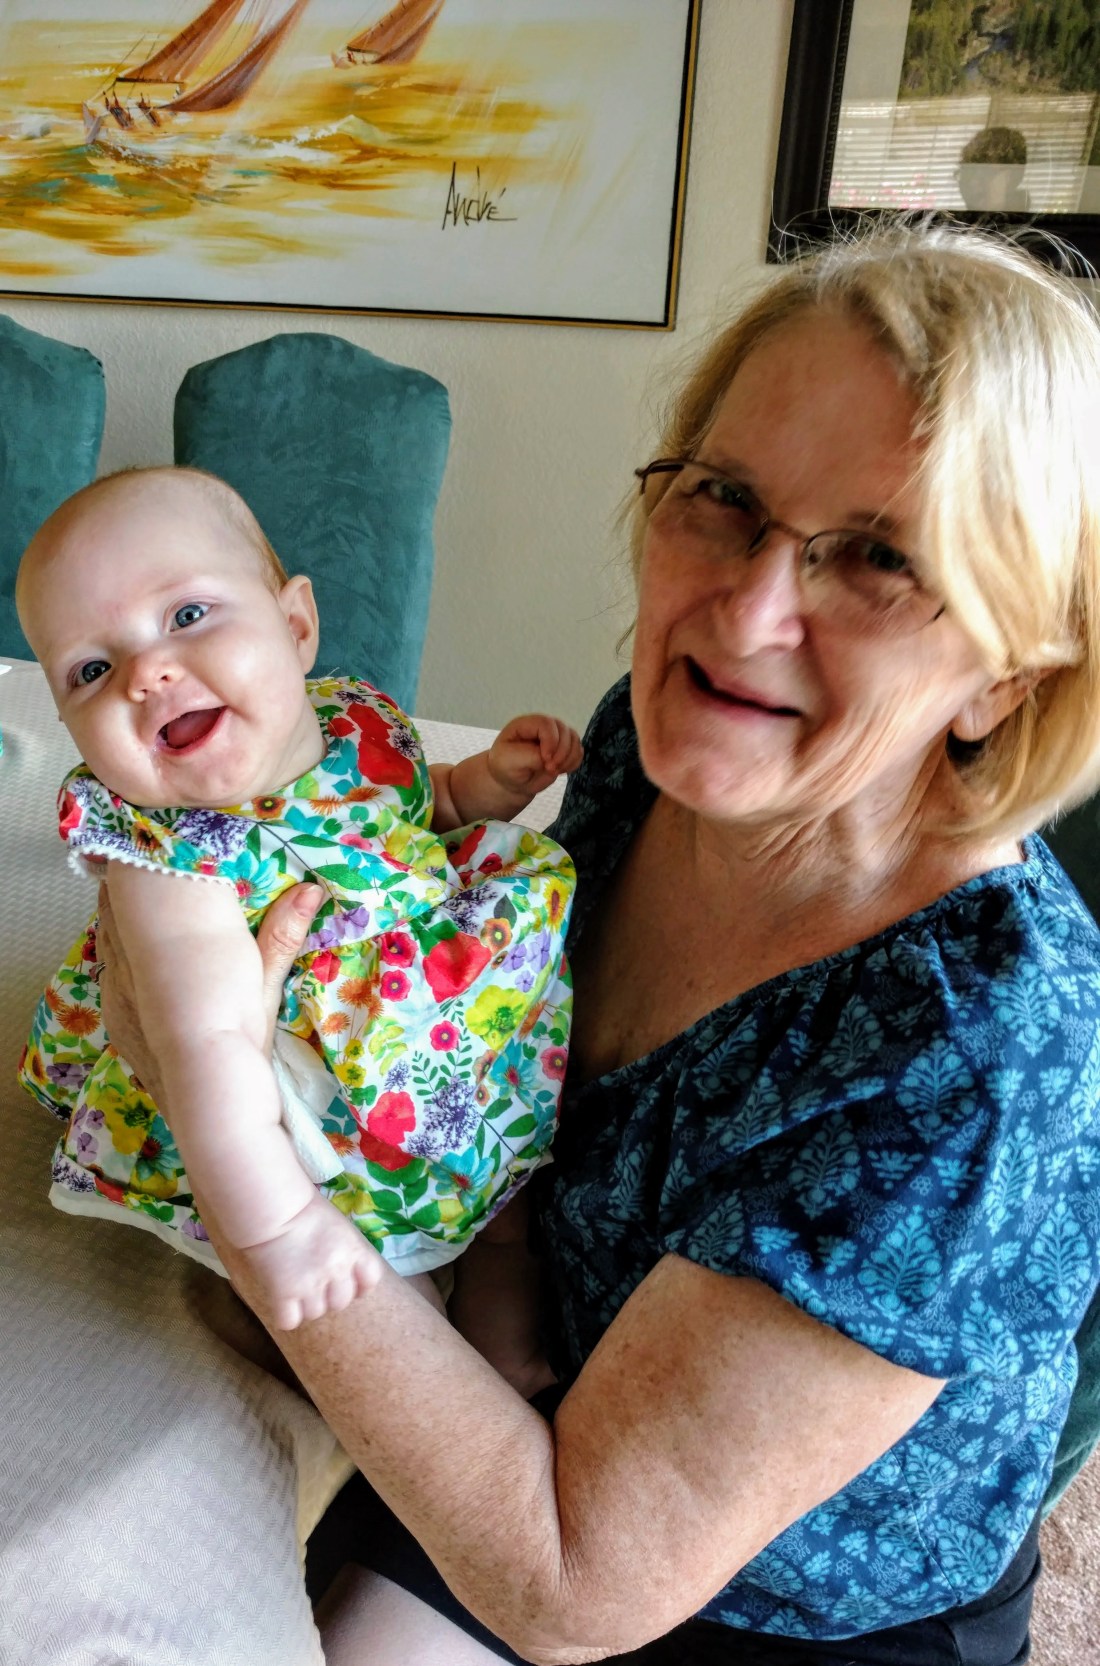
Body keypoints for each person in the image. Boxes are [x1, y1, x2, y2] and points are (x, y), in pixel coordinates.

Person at [95, 222, 1100, 1665]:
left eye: (880, 557)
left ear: (1007, 672)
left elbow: (570, 1585)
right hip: (524, 1361)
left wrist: (232, 1148)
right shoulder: (659, 741)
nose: (746, 612)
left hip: (775, 1607)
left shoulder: (976, 1050)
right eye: (724, 499)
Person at [16, 467, 580, 1331]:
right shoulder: (167, 858)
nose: (147, 674)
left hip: (433, 1019)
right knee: (367, 1270)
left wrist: (485, 786)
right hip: (307, 1100)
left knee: (512, 1181)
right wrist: (280, 1229)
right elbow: (205, 1048)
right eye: (91, 669)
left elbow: (403, 809)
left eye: (186, 616)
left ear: (296, 626)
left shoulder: (346, 719)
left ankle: (506, 1290)